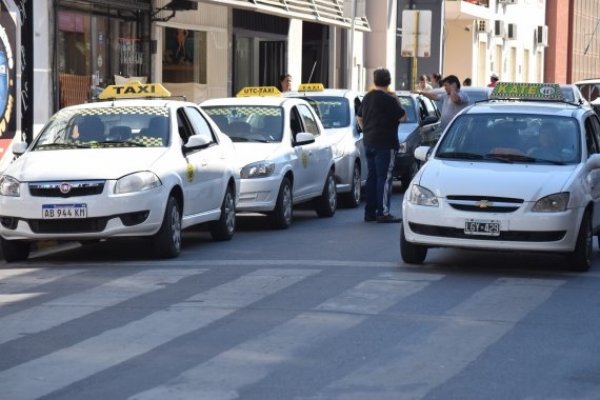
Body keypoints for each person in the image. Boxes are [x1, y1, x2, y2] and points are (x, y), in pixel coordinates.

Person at [357, 68, 407, 223]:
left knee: (372, 177)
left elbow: (359, 117)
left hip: (369, 141)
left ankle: (369, 212)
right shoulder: (390, 100)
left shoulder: (367, 97)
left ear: (375, 80)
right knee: (384, 178)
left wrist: (366, 129)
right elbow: (403, 117)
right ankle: (383, 211)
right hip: (386, 143)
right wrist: (396, 99)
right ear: (389, 81)